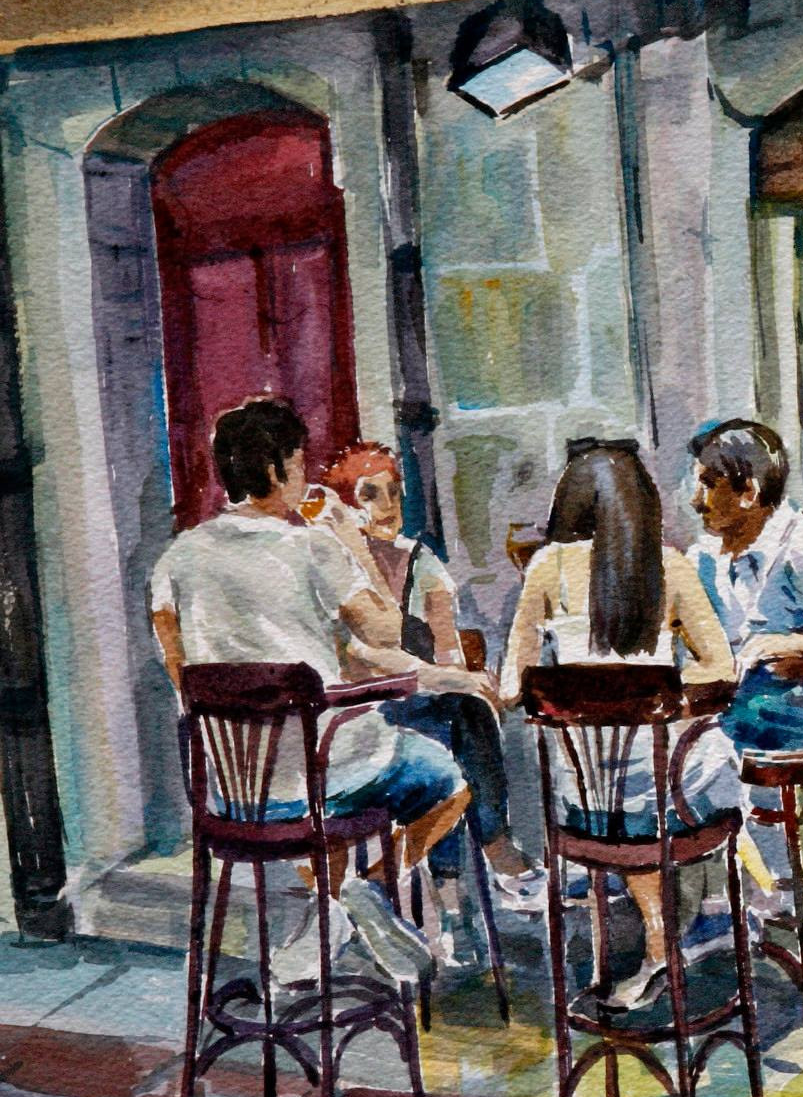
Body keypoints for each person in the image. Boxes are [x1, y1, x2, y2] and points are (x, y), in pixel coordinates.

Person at [149, 398, 492, 987]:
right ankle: (371, 891)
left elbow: (181, 669)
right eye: (299, 462)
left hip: (233, 791)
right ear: (281, 469)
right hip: (325, 769)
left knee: (329, 776)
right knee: (449, 782)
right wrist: (345, 537)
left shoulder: (179, 557)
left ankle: (326, 920)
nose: (305, 474)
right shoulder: (313, 547)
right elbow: (385, 628)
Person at [499, 439, 742, 1013]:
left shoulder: (545, 568)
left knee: (623, 796)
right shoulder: (670, 565)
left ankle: (660, 945)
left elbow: (513, 686)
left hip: (581, 801)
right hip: (662, 795)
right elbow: (721, 667)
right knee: (710, 766)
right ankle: (710, 929)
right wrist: (658, 701)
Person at [323, 443, 545, 946]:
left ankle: (451, 897)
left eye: (394, 492)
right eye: (370, 494)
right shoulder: (327, 567)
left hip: (422, 705)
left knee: (454, 714)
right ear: (343, 506)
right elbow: (357, 656)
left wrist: (457, 677)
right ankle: (486, 863)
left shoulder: (422, 564)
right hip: (358, 718)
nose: (388, 506)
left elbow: (448, 655)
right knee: (450, 716)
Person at [687, 419, 803, 760]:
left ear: (749, 492)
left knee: (698, 756)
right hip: (725, 711)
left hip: (797, 716)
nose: (697, 501)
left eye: (708, 485)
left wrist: (776, 645)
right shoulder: (702, 558)